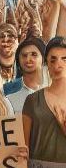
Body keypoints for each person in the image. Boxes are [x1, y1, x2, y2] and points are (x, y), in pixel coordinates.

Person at [22, 37, 66, 167]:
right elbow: (23, 147)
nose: (58, 65)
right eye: (53, 59)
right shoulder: (32, 100)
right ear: (46, 64)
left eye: (64, 59)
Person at [4, 38, 49, 115]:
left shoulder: (54, 87)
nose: (28, 59)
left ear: (44, 59)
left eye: (34, 55)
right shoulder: (7, 90)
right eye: (24, 55)